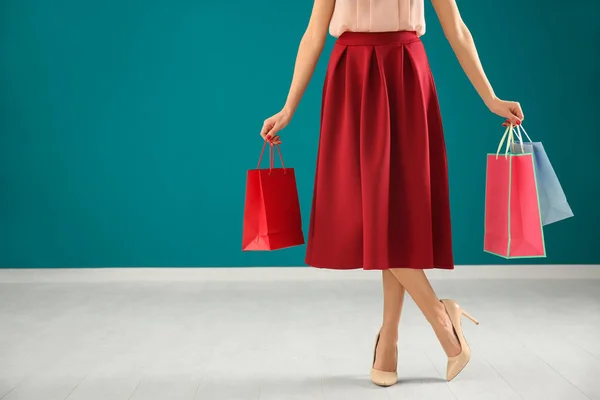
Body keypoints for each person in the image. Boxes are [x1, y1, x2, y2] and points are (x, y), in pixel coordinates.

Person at [259, 0, 524, 387]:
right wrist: (289, 107)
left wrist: (491, 98)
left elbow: (457, 28)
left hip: (404, 71)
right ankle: (438, 317)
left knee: (394, 211)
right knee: (367, 211)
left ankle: (390, 341)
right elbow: (314, 32)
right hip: (350, 75)